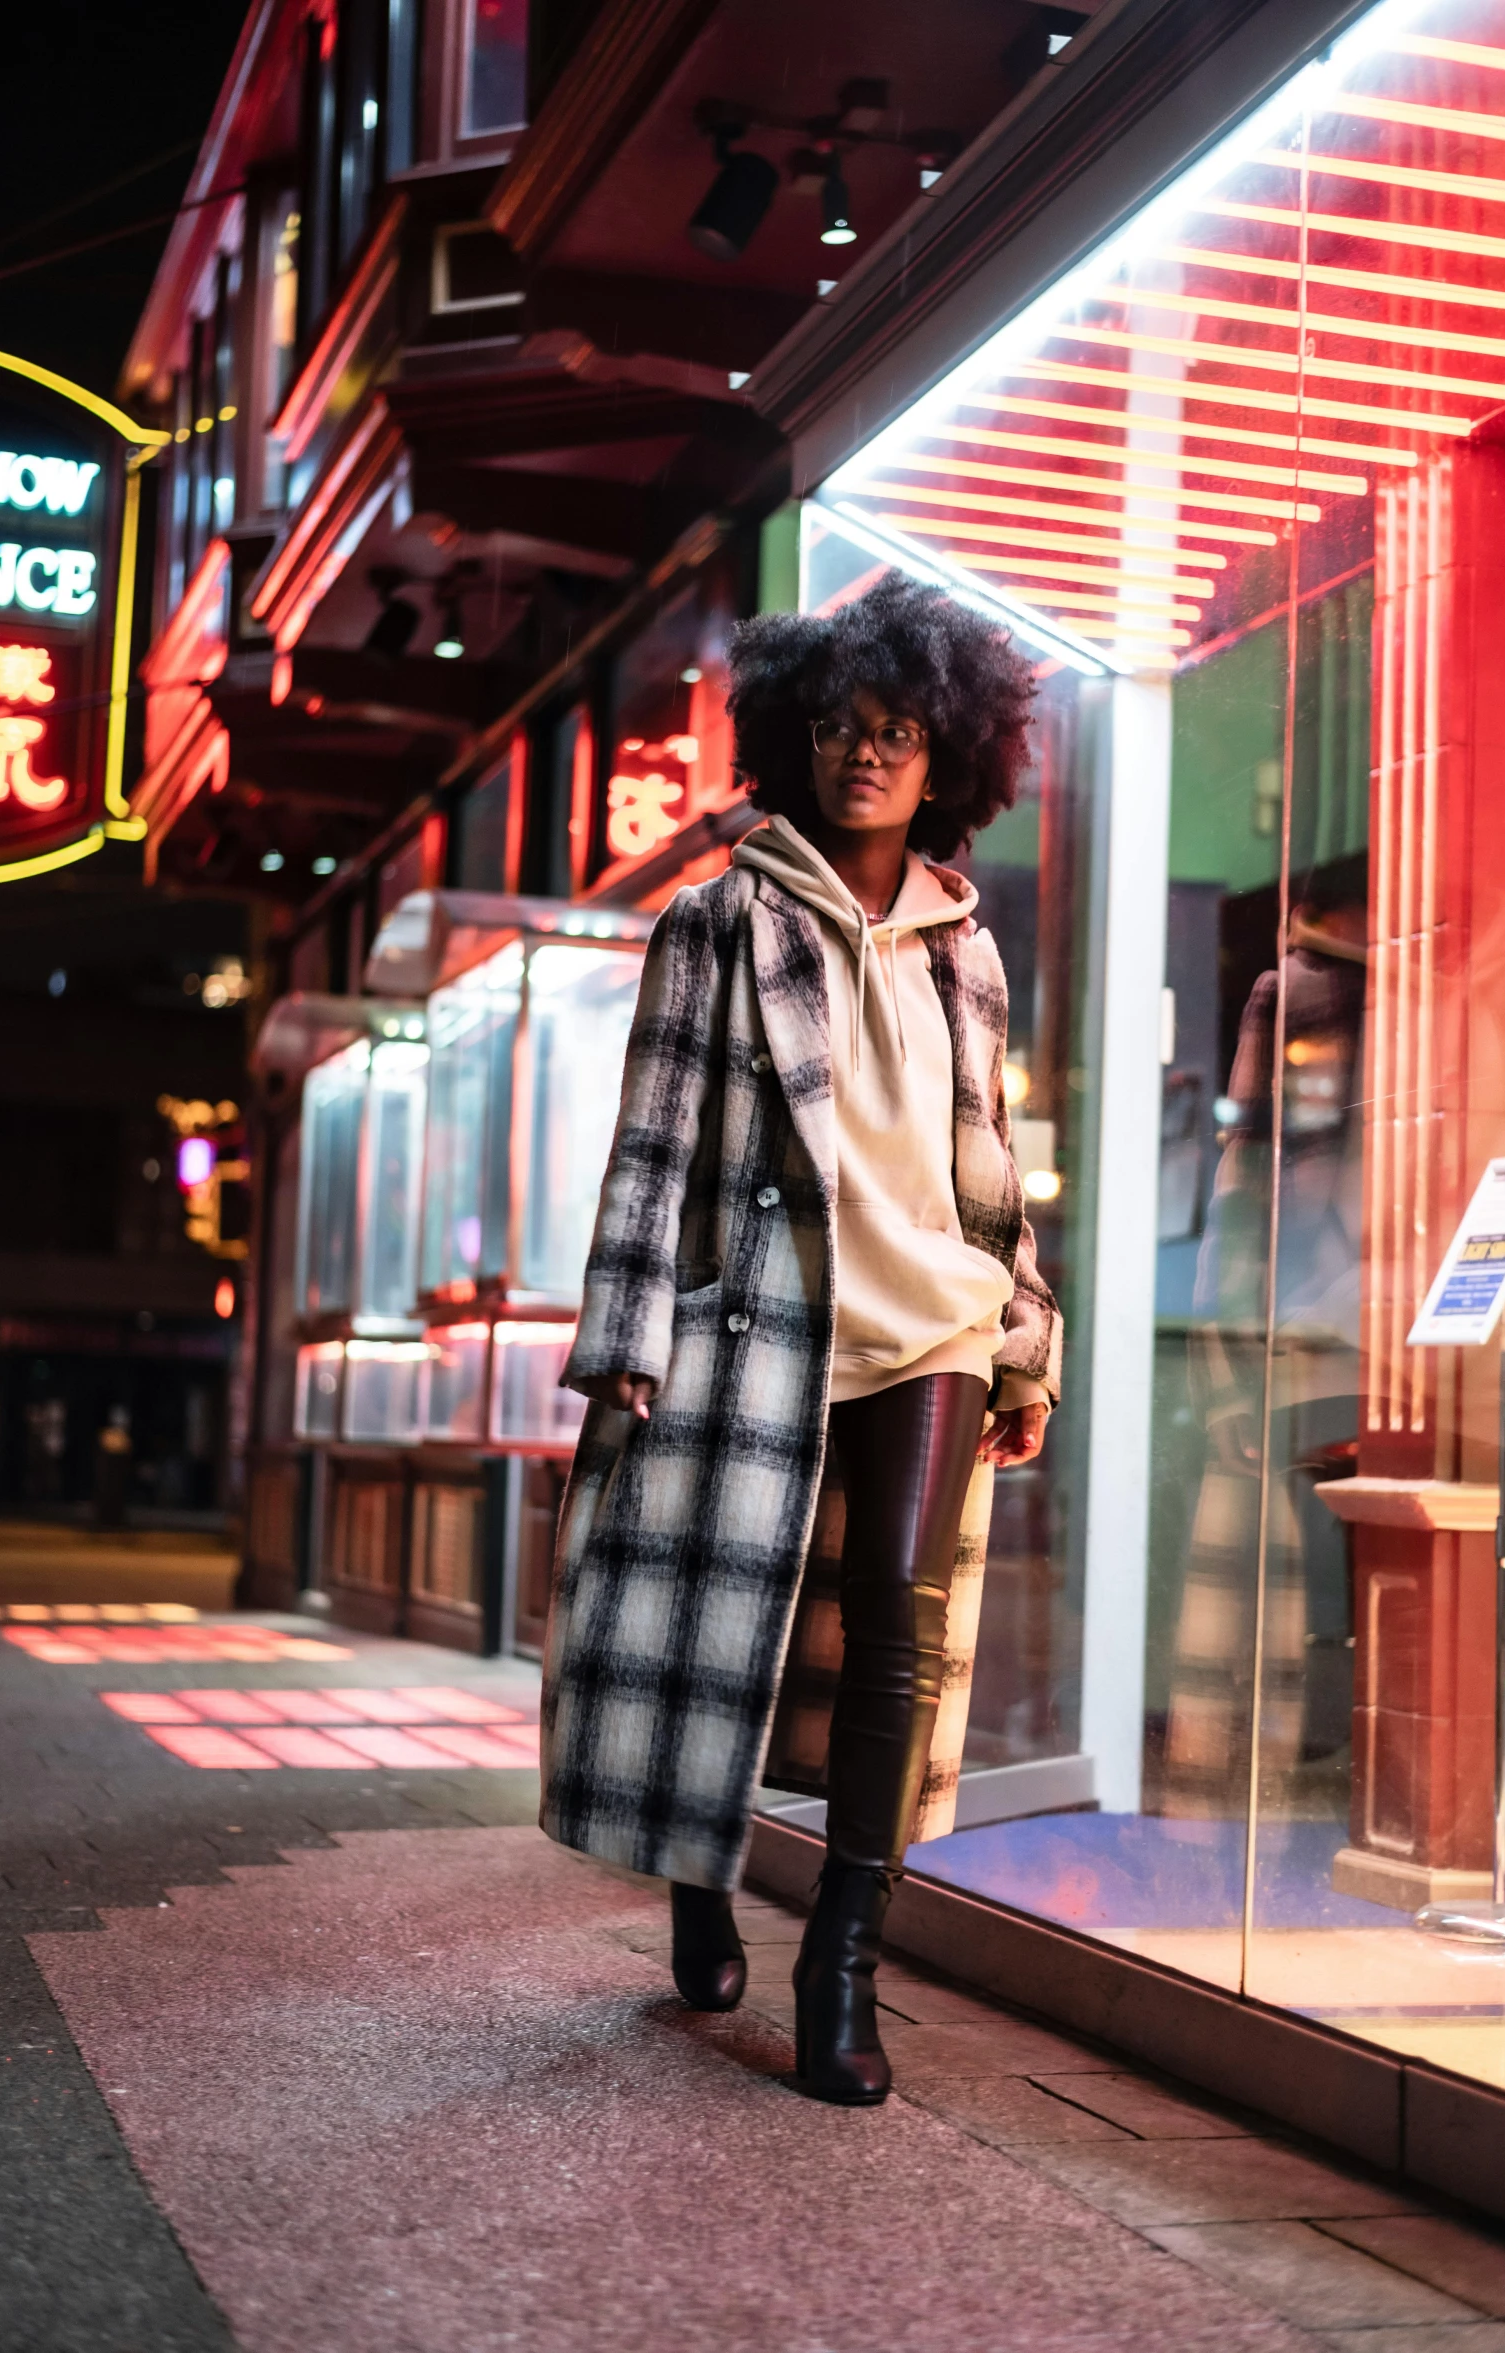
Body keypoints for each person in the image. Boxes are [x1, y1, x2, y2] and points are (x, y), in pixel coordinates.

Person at [541, 576, 1062, 2104]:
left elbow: (986, 1163)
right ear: (792, 738)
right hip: (760, 1316)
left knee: (896, 1627)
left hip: (933, 1324)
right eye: (838, 726)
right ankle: (703, 1880)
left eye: (898, 731)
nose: (864, 756)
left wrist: (1022, 1338)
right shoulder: (713, 922)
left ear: (946, 753)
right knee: (740, 1634)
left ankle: (844, 1959)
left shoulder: (968, 950)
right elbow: (651, 1148)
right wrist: (627, 1331)